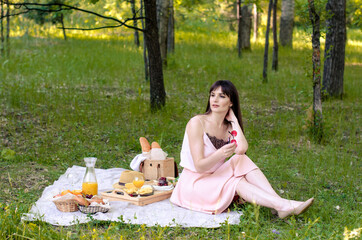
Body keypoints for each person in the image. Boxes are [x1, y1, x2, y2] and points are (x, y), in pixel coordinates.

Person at [170, 80, 314, 218]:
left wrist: (234, 121)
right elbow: (199, 166)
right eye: (213, 95)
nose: (215, 100)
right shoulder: (197, 123)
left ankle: (279, 205)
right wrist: (220, 154)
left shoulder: (229, 127)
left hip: (214, 178)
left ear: (231, 102)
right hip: (194, 185)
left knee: (241, 159)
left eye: (222, 96)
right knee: (236, 182)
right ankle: (282, 205)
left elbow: (242, 150)